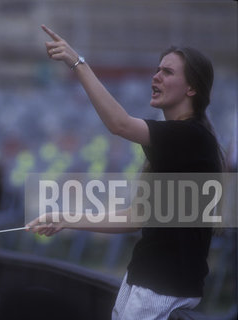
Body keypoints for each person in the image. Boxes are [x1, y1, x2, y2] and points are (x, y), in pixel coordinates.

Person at [27, 25, 224, 320]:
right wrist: (64, 219)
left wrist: (77, 63)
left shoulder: (190, 136)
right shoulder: (180, 141)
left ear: (191, 88)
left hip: (160, 290)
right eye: (157, 69)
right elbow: (136, 216)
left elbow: (119, 124)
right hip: (143, 284)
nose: (156, 76)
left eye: (168, 72)